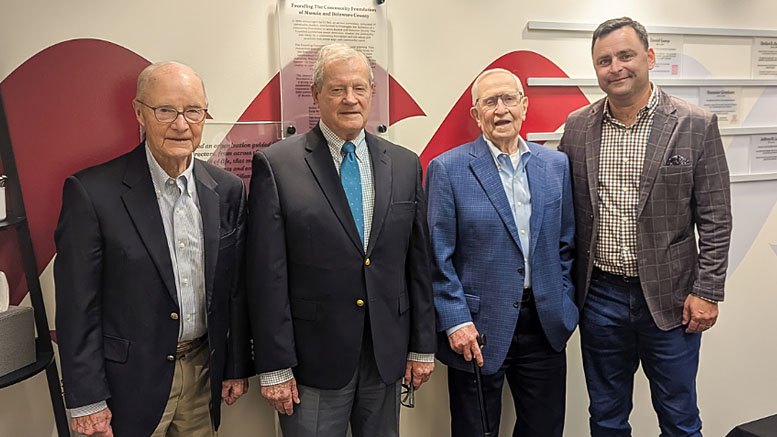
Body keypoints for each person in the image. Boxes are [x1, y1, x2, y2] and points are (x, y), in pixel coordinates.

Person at [246, 43, 436, 436]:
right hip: (313, 361)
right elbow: (267, 276)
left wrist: (422, 346)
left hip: (385, 355)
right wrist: (275, 367)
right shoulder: (277, 165)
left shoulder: (404, 164)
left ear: (371, 92)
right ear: (316, 95)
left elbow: (417, 264)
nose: (350, 98)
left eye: (359, 88)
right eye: (337, 89)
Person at [54, 61, 251, 437]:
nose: (181, 124)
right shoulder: (93, 193)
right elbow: (78, 306)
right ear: (139, 112)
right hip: (128, 385)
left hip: (203, 375)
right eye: (166, 110)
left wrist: (236, 365)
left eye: (193, 111)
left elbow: (235, 290)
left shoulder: (227, 190)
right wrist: (87, 400)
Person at [558, 17, 732, 436]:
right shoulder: (577, 127)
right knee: (606, 417)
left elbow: (716, 217)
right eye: (604, 60)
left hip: (672, 300)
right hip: (600, 297)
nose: (615, 67)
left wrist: (707, 292)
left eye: (626, 55)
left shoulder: (695, 124)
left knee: (679, 419)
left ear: (649, 57)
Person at [426, 68, 577, 436]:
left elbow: (566, 243)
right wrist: (456, 322)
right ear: (476, 114)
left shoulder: (555, 165)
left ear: (524, 106)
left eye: (509, 98)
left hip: (544, 325)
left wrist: (565, 303)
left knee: (544, 431)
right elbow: (436, 257)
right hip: (475, 331)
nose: (501, 109)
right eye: (490, 102)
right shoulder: (448, 169)